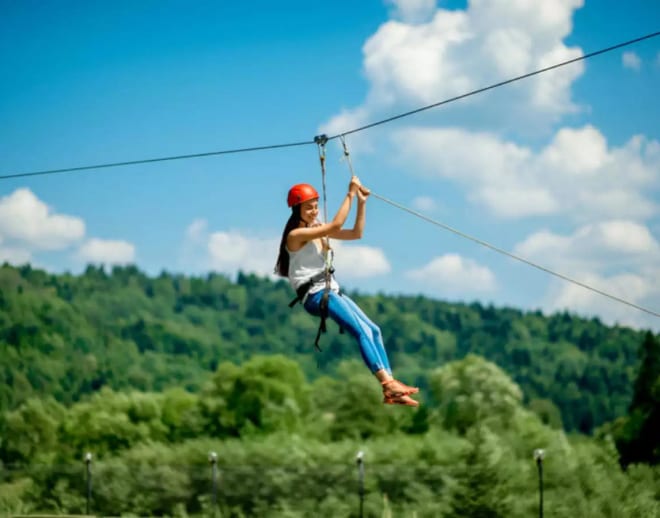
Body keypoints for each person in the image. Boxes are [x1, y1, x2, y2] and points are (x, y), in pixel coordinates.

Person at [275, 176, 419, 407]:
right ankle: (387, 384)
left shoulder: (316, 230)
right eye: (308, 208)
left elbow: (355, 233)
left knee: (373, 330)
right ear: (296, 210)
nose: (313, 211)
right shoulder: (295, 236)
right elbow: (335, 226)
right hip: (315, 295)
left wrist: (361, 202)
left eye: (315, 206)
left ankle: (391, 385)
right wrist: (350, 193)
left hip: (330, 290)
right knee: (360, 331)